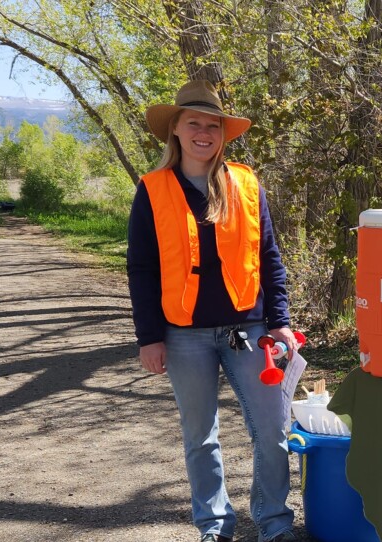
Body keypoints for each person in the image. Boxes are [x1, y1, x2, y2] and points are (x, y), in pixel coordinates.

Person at [127, 80, 299, 542]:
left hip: (251, 327)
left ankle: (274, 522)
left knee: (272, 430)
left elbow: (270, 257)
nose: (204, 132)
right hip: (183, 335)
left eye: (213, 125)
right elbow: (141, 268)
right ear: (176, 131)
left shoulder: (246, 183)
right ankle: (214, 525)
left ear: (223, 134)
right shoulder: (152, 189)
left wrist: (280, 320)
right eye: (194, 123)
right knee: (200, 437)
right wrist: (149, 337)